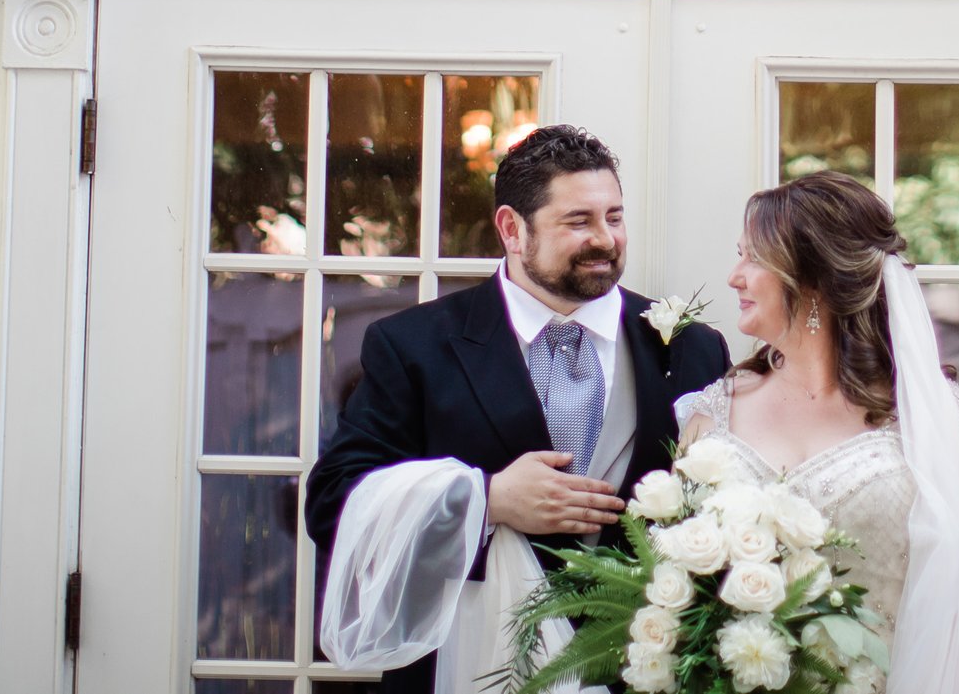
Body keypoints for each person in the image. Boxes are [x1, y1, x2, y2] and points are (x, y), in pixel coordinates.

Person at [306, 124, 730, 694]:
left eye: (615, 217)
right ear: (512, 228)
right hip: (471, 662)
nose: (606, 239)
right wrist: (486, 500)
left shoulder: (691, 347)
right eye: (578, 221)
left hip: (645, 671)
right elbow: (333, 500)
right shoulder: (414, 345)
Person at [677, 171, 959, 694]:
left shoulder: (935, 420)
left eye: (753, 257)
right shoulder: (712, 416)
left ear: (813, 280)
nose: (735, 276)